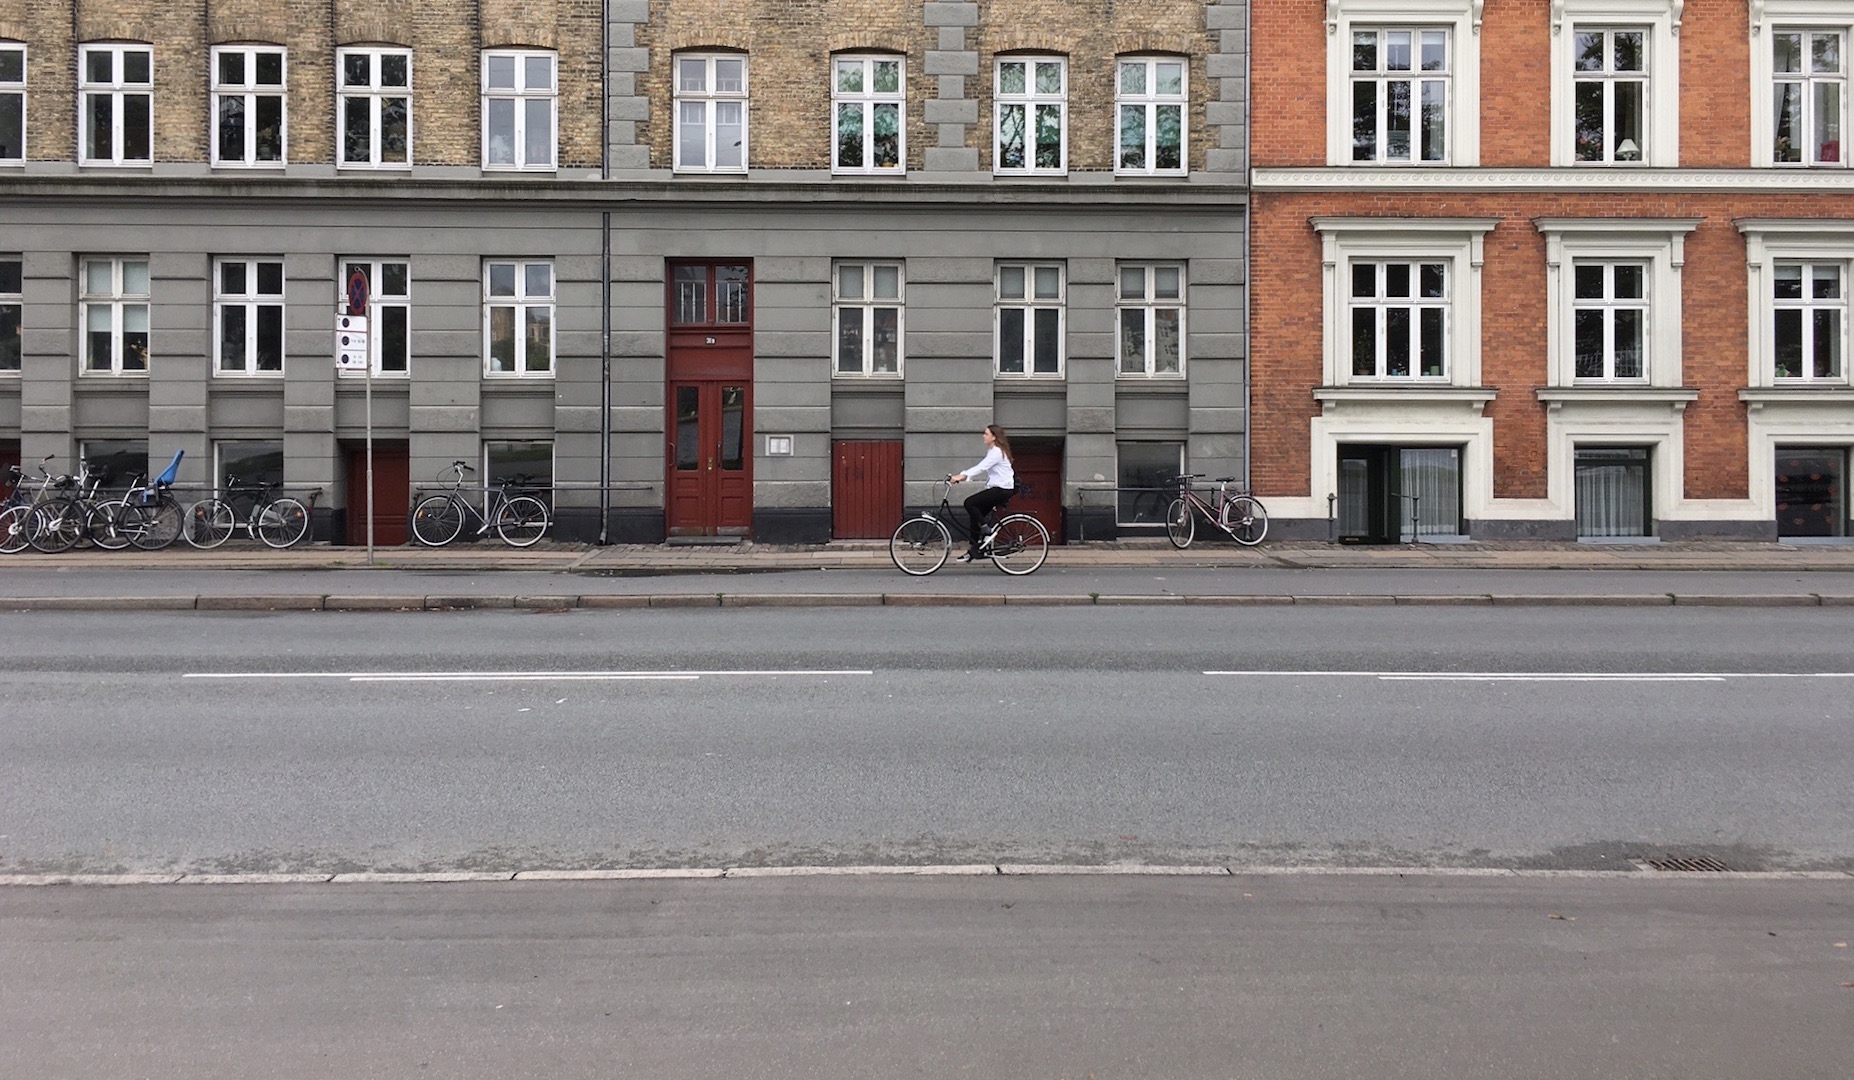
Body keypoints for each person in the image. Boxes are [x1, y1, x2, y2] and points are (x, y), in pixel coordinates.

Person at [948, 424, 1015, 563]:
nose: (983, 436)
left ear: (994, 437)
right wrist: (963, 477)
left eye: (986, 434)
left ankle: (988, 532)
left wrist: (962, 476)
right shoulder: (993, 451)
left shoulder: (996, 452)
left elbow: (981, 467)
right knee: (975, 515)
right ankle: (974, 550)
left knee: (969, 503)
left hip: (1002, 489)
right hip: (998, 488)